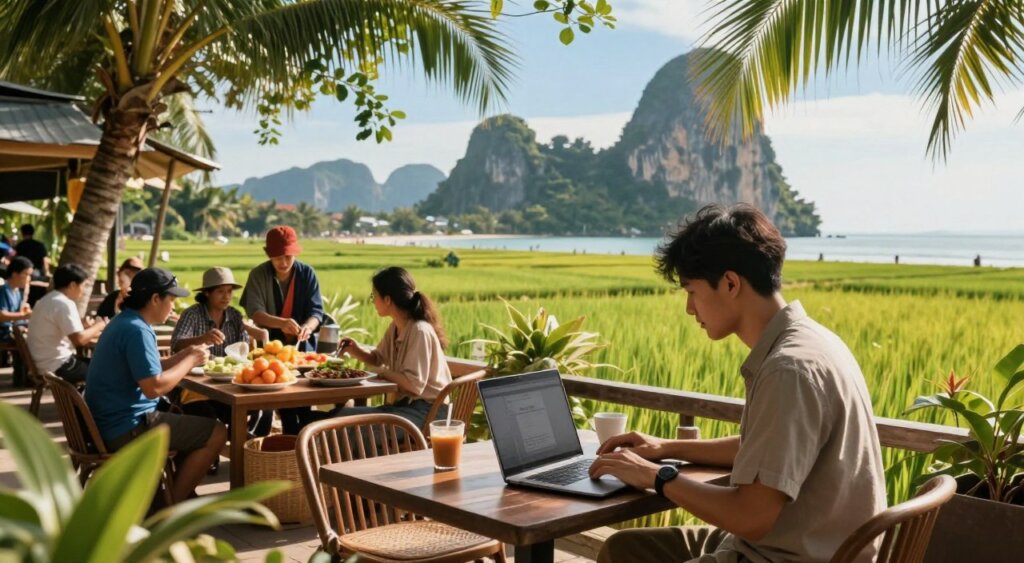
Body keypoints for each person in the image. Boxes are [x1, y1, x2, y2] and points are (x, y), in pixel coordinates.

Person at [589, 204, 886, 563]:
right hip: (795, 544)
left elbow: (752, 517)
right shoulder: (813, 341)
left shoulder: (788, 369)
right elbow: (765, 450)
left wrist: (657, 476)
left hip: (780, 555)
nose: (689, 308)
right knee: (624, 549)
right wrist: (666, 447)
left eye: (692, 291)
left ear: (730, 283)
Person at [84, 268, 225, 504]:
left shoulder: (125, 321)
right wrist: (190, 360)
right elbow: (154, 387)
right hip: (125, 428)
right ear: (155, 299)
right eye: (171, 299)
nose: (173, 306)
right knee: (217, 432)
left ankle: (170, 494)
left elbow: (147, 367)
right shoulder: (137, 330)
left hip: (108, 423)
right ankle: (169, 509)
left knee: (191, 420)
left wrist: (183, 356)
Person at [321, 266, 453, 431]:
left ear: (388, 299)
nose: (373, 301)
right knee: (338, 416)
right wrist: (355, 350)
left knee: (345, 425)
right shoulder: (396, 327)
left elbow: (414, 386)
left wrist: (382, 372)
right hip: (406, 408)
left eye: (374, 295)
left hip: (429, 413)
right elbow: (377, 357)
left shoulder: (419, 331)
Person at [241, 226, 323, 434]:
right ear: (268, 255)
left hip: (302, 351)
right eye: (278, 257)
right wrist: (281, 323)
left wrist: (307, 327)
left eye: (288, 256)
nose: (284, 262)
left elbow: (316, 312)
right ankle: (289, 445)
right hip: (271, 351)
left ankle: (300, 447)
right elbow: (255, 312)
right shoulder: (259, 275)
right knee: (284, 405)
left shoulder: (307, 274)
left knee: (304, 402)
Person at [172, 267, 272, 437]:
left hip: (228, 386)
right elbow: (176, 345)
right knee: (207, 420)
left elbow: (243, 350)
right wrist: (202, 338)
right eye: (220, 291)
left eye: (229, 291)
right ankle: (221, 449)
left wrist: (256, 334)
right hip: (197, 388)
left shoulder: (234, 316)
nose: (226, 296)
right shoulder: (192, 314)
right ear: (206, 293)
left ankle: (247, 447)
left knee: (264, 406)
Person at [27, 264, 107, 384]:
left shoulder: (46, 300)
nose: (84, 290)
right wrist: (99, 325)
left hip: (44, 363)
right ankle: (88, 402)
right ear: (73, 285)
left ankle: (79, 402)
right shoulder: (64, 303)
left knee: (99, 365)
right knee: (109, 370)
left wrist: (84, 327)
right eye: (84, 285)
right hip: (58, 366)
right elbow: (79, 340)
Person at [1, 256, 34, 387]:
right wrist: (22, 316)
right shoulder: (3, 290)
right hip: (3, 331)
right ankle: (24, 378)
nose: (28, 278)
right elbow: (1, 315)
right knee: (25, 341)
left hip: (14, 329)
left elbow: (20, 312)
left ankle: (24, 377)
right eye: (26, 274)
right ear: (15, 273)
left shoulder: (17, 291)